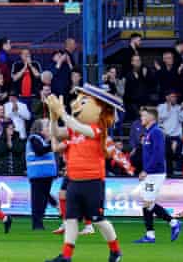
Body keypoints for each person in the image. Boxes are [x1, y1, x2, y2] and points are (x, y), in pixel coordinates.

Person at [44, 88, 123, 262]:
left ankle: (116, 251)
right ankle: (66, 256)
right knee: (71, 219)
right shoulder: (74, 130)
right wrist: (53, 117)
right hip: (74, 180)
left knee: (98, 220)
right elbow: (56, 134)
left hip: (93, 181)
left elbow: (76, 126)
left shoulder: (98, 129)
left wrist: (62, 113)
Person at [133, 107, 182, 244]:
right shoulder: (149, 132)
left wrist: (146, 170)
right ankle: (150, 235)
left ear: (151, 117)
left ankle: (173, 222)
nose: (141, 118)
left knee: (147, 203)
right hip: (152, 173)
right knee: (146, 203)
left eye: (143, 115)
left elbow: (158, 155)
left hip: (155, 174)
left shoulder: (156, 132)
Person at [27, 118, 57, 230]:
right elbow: (39, 151)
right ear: (39, 129)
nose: (49, 128)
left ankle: (39, 223)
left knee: (42, 200)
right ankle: (37, 224)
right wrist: (52, 145)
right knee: (38, 200)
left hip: (44, 175)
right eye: (46, 126)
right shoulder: (34, 138)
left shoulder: (42, 139)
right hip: (38, 175)